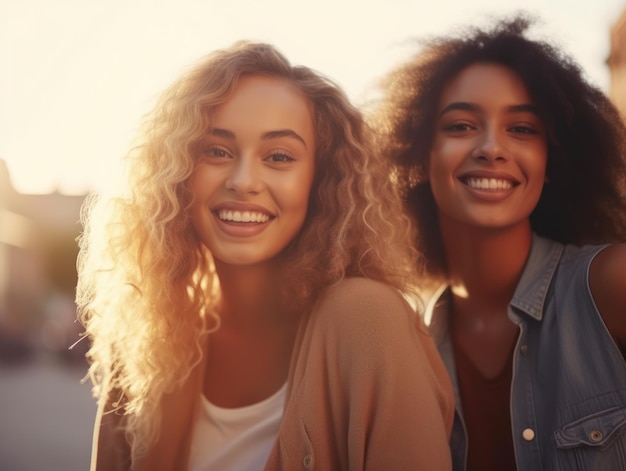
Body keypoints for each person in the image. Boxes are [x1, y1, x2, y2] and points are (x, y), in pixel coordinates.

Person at [75, 41, 454, 470]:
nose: (244, 180)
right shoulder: (147, 347)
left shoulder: (366, 317)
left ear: (320, 180)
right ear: (179, 172)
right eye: (217, 151)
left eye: (279, 156)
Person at [370, 13, 626, 471]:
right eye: (462, 125)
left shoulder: (611, 286)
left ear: (550, 161)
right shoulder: (409, 350)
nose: (492, 147)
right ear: (419, 155)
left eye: (522, 129)